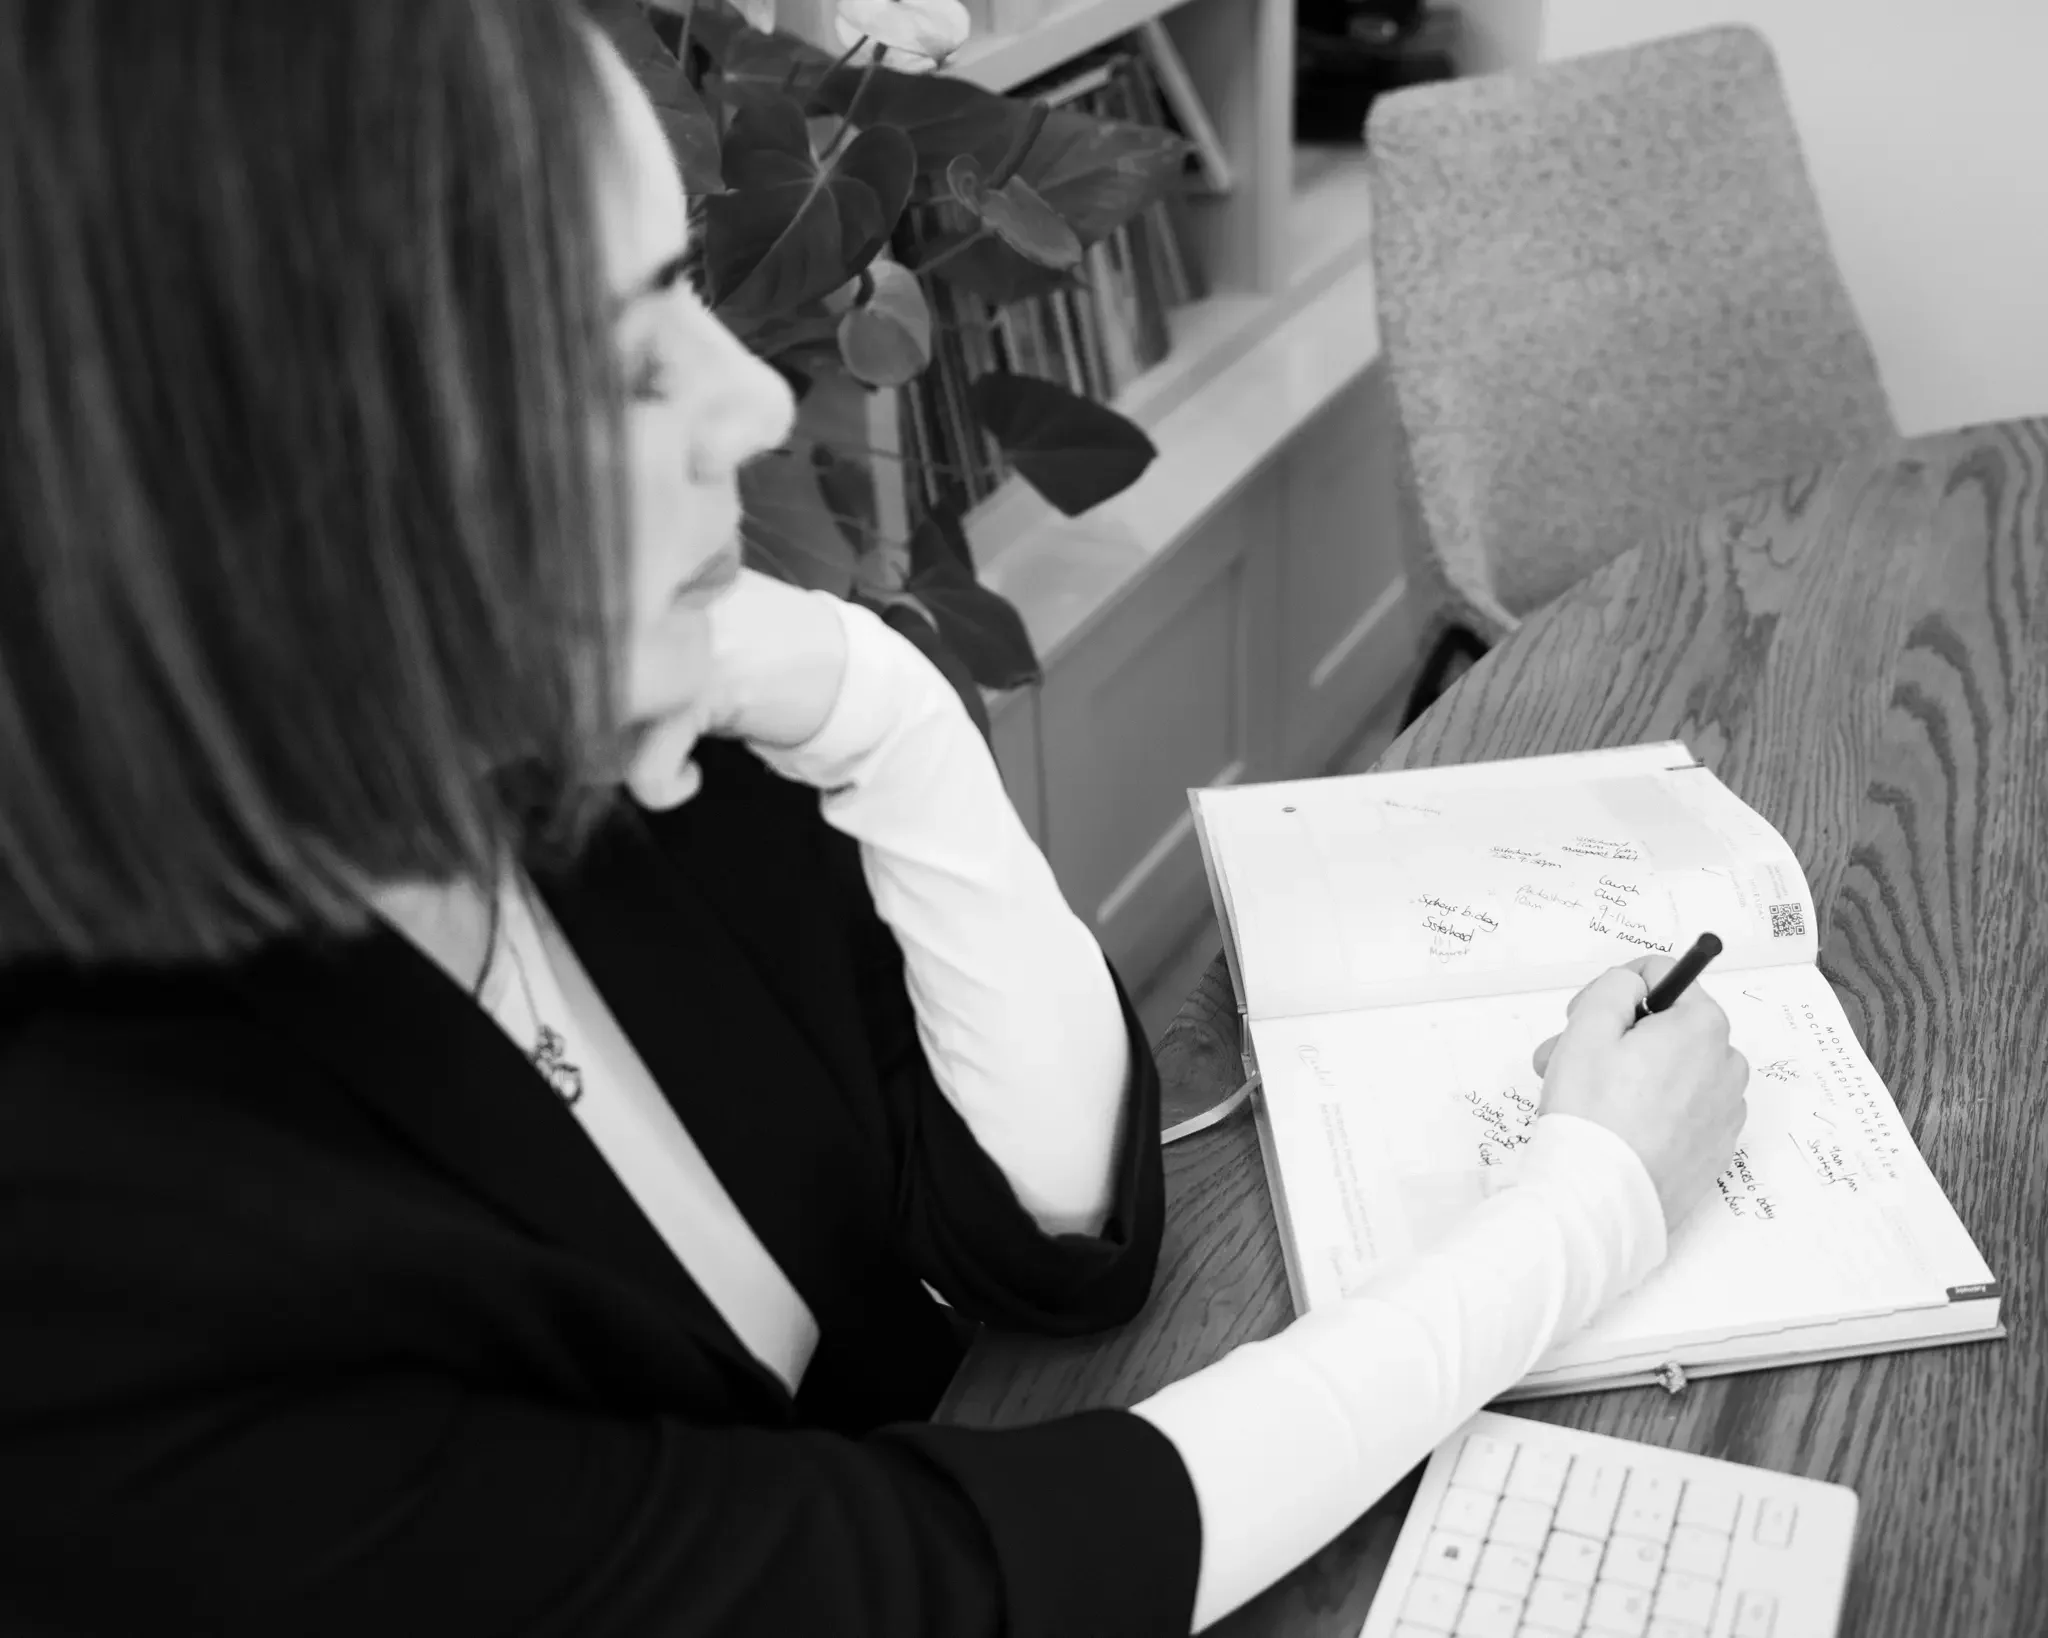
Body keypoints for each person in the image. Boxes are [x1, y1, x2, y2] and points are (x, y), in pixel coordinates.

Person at [0, 3, 1750, 1633]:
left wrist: (882, 708)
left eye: (682, 286)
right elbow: (944, 1585)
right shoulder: (98, 1267)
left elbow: (1050, 1227)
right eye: (616, 368)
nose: (755, 401)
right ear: (257, 495)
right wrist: (1577, 1211)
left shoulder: (578, 734)